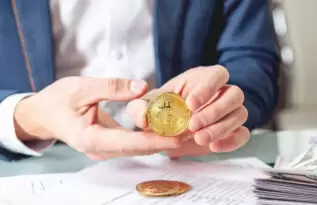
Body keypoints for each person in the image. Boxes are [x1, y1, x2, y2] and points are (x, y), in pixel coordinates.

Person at [0, 0, 280, 161]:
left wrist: (220, 106)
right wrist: (27, 116)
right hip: (40, 166)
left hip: (193, 160)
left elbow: (253, 59)